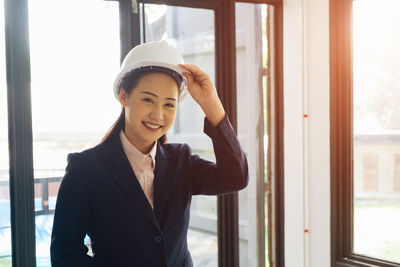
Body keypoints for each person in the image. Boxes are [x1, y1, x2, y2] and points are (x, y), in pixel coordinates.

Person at [50, 40, 248, 267]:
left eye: (169, 105)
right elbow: (65, 255)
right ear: (123, 96)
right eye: (147, 99)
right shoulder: (85, 169)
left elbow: (236, 177)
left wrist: (211, 104)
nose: (158, 114)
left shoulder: (181, 161)